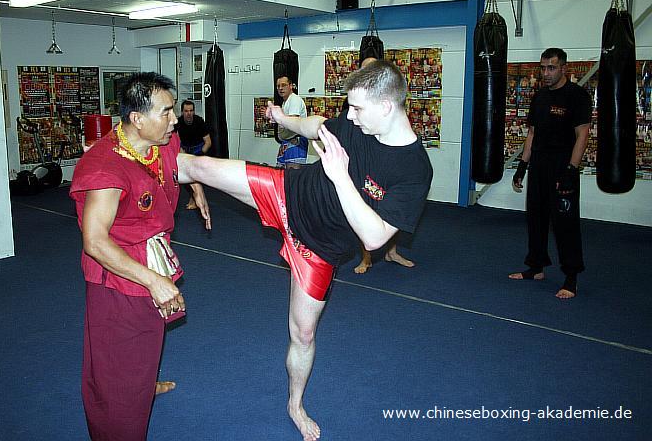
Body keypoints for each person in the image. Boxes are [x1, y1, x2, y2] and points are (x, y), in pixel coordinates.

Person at [178, 60, 432, 440]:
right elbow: (315, 125)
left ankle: (295, 405)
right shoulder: (356, 121)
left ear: (386, 106)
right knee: (196, 165)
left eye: (358, 108)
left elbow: (375, 238)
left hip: (320, 249)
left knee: (304, 334)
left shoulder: (414, 169)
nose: (351, 116)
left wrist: (340, 175)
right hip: (286, 191)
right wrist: (283, 117)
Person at [70, 72, 211, 440]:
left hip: (152, 254)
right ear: (137, 118)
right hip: (119, 275)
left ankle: (143, 384)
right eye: (165, 112)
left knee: (149, 337)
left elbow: (175, 160)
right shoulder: (105, 167)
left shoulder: (158, 140)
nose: (174, 119)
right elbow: (95, 242)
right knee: (118, 360)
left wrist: (194, 184)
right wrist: (153, 280)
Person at [509, 48, 591, 299]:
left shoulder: (576, 96)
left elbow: (583, 134)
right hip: (540, 165)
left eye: (551, 68)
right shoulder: (540, 97)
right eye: (543, 68)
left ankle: (571, 277)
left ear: (564, 68)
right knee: (536, 217)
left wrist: (571, 169)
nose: (546, 73)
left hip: (562, 166)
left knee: (564, 223)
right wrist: (523, 166)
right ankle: (536, 267)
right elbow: (532, 134)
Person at [348, 56, 416, 274]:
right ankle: (366, 259)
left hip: (386, 166)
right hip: (364, 166)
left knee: (391, 212)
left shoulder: (387, 102)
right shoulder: (356, 104)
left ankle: (392, 251)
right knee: (366, 212)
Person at [177, 99, 212, 209]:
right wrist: (184, 155)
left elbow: (208, 142)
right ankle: (194, 196)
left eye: (191, 111)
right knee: (185, 175)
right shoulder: (177, 123)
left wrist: (199, 156)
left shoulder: (199, 121)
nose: (189, 113)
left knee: (196, 176)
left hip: (198, 150)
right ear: (182, 112)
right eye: (186, 111)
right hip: (184, 150)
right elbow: (176, 142)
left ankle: (195, 198)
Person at [275, 75, 309, 168]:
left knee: (292, 174)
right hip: (287, 141)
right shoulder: (285, 102)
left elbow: (292, 123)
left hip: (295, 140)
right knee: (282, 172)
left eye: (283, 85)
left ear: (291, 86)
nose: (280, 88)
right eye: (278, 86)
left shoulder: (294, 100)